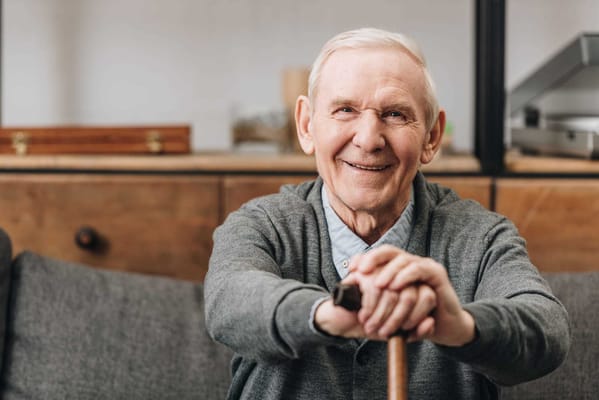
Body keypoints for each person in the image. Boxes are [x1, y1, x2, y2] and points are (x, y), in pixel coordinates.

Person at [205, 27, 570, 400]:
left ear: (431, 137)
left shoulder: (481, 236)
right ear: (306, 125)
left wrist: (458, 325)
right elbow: (227, 302)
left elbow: (547, 329)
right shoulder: (261, 225)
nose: (368, 139)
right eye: (345, 110)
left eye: (395, 114)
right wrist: (329, 313)